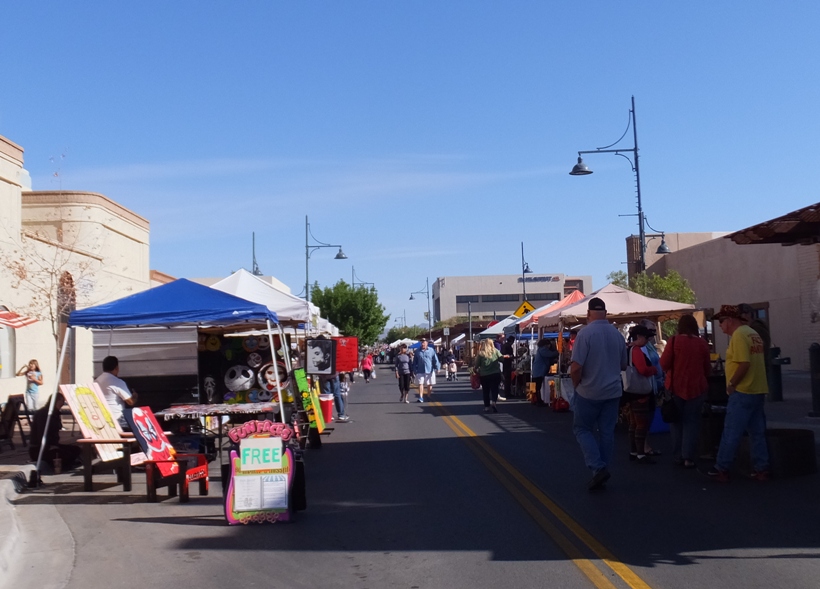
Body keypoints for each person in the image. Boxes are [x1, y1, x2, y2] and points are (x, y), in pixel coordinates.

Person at [570, 297, 627, 491]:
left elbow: (576, 367)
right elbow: (623, 365)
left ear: (588, 314)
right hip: (612, 391)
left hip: (589, 391)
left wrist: (576, 385)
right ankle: (603, 468)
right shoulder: (617, 334)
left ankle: (597, 467)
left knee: (582, 429)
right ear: (606, 313)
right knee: (607, 433)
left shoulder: (585, 334)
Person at [708, 304, 770, 482]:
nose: (719, 326)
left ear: (730, 320)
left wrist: (732, 383)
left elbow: (744, 363)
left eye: (721, 321)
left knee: (731, 432)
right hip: (758, 389)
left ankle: (721, 468)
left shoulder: (739, 336)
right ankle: (761, 468)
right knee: (757, 433)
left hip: (743, 390)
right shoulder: (752, 333)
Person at [660, 314, 712, 468]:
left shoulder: (674, 341)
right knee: (692, 423)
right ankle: (688, 456)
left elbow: (663, 364)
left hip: (676, 387)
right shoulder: (702, 343)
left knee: (676, 423)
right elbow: (707, 368)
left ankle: (678, 456)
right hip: (697, 388)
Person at [625, 325, 659, 464]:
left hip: (629, 390)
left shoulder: (627, 348)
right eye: (645, 337)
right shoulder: (637, 350)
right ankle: (640, 454)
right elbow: (643, 369)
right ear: (638, 337)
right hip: (640, 391)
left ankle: (634, 451)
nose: (647, 340)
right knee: (641, 423)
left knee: (633, 423)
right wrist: (654, 370)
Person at [28, 393, 82, 471]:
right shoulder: (43, 414)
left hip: (52, 445)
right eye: (62, 401)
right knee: (66, 455)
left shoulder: (55, 413)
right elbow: (41, 434)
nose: (63, 403)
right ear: (57, 401)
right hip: (40, 449)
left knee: (75, 449)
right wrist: (49, 446)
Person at [95, 356, 136, 430]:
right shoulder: (117, 382)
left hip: (101, 417)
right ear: (116, 368)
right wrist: (135, 396)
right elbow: (131, 402)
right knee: (138, 427)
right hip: (117, 417)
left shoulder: (97, 380)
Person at [473, 338, 508, 413]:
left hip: (484, 375)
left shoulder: (481, 353)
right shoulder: (495, 351)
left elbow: (476, 365)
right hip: (495, 374)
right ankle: (494, 403)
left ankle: (486, 407)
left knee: (486, 391)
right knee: (495, 390)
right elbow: (502, 359)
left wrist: (475, 370)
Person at [411, 339, 440, 403]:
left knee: (429, 384)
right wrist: (414, 369)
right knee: (420, 383)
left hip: (429, 370)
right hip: (420, 370)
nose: (422, 344)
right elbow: (415, 361)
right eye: (421, 343)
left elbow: (435, 359)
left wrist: (438, 368)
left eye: (423, 343)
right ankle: (421, 397)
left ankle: (428, 396)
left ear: (427, 343)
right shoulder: (417, 351)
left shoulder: (431, 350)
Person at [531, 339, 559, 406]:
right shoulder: (543, 350)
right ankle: (539, 400)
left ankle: (538, 400)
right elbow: (550, 354)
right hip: (539, 371)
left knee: (538, 386)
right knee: (538, 386)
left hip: (537, 371)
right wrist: (558, 352)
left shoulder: (540, 350)